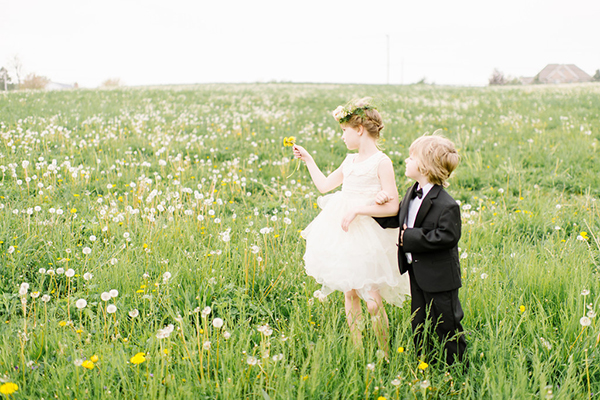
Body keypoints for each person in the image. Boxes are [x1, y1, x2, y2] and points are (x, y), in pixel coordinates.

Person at [292, 98, 410, 356]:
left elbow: (392, 206)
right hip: (344, 233)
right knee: (350, 292)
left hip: (369, 234)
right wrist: (309, 160)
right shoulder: (349, 162)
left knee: (373, 302)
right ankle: (358, 350)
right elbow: (324, 187)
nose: (342, 136)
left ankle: (384, 351)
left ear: (359, 129)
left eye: (344, 130)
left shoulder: (382, 162)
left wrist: (359, 208)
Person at [374, 132, 467, 366]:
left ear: (424, 167)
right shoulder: (411, 192)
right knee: (419, 321)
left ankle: (456, 366)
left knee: (448, 322)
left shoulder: (447, 204)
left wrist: (410, 237)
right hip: (417, 273)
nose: (406, 161)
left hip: (441, 277)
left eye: (411, 157)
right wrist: (377, 209)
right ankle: (424, 362)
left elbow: (448, 236)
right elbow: (400, 218)